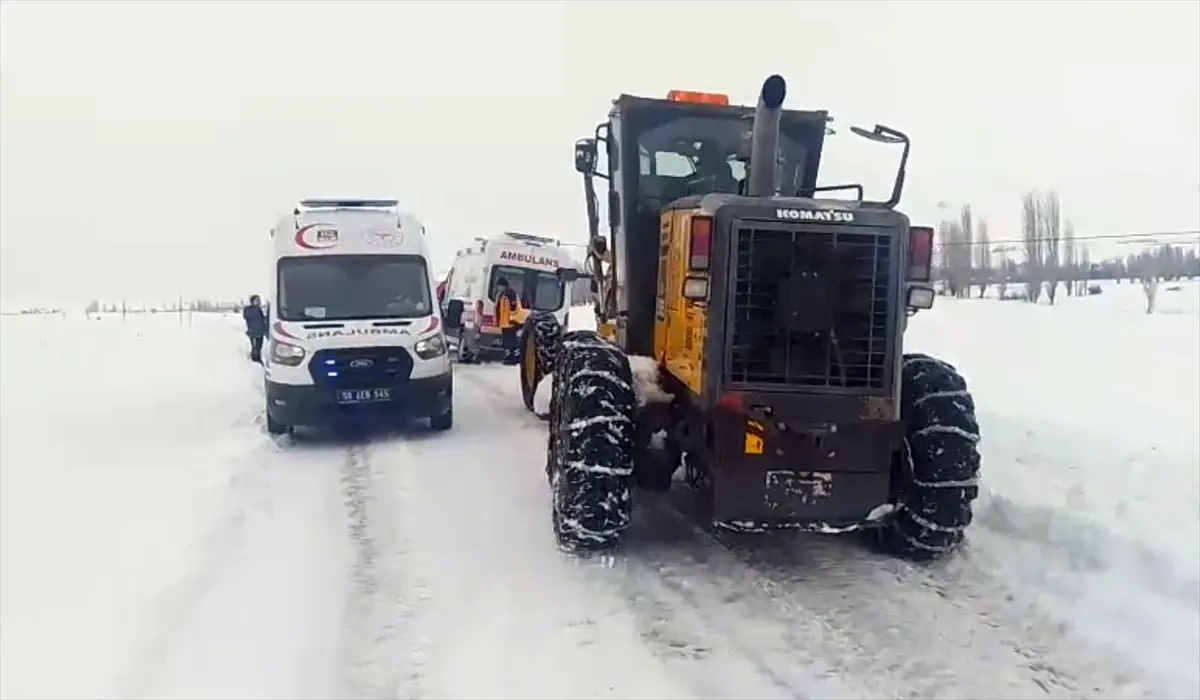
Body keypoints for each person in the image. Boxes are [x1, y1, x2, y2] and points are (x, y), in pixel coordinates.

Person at [494, 277, 521, 365]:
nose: (498, 287)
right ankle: (510, 357)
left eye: (499, 286)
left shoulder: (509, 294)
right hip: (505, 322)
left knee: (510, 341)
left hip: (509, 323)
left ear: (503, 286)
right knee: (507, 341)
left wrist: (512, 320)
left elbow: (514, 308)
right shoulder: (502, 294)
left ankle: (513, 357)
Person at [242, 294, 267, 363]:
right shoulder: (250, 310)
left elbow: (262, 320)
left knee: (259, 347)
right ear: (252, 301)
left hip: (260, 332)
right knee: (255, 347)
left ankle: (258, 359)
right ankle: (255, 361)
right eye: (257, 300)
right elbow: (247, 318)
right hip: (253, 332)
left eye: (259, 300)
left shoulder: (259, 310)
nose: (259, 302)